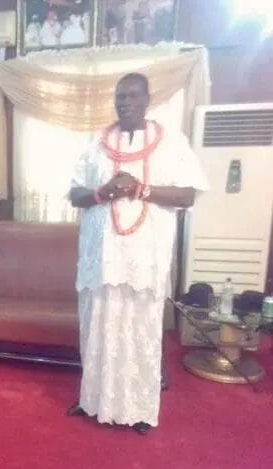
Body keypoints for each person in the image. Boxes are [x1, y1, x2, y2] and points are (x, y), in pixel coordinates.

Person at [68, 73, 208, 434]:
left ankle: (141, 410)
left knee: (141, 330)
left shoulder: (170, 142)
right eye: (119, 96)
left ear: (148, 100)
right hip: (101, 258)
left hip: (144, 259)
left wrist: (140, 188)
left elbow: (188, 195)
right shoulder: (96, 142)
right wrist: (104, 192)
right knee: (97, 327)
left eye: (132, 96)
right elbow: (75, 195)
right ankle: (92, 400)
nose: (124, 102)